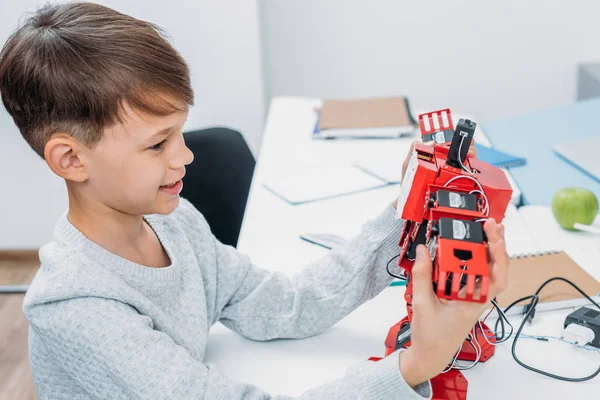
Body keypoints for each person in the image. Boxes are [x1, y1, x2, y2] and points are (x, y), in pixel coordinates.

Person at [0, 3, 508, 399]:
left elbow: (283, 305)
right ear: (70, 160)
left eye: (180, 132)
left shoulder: (173, 224)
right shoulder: (77, 310)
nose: (185, 157)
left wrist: (404, 216)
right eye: (158, 143)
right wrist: (417, 364)